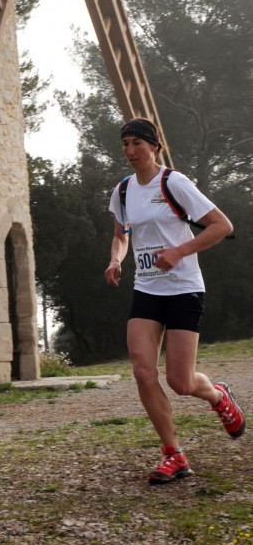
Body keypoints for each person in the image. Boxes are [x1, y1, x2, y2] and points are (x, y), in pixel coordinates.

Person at [104, 117, 245, 485]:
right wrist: (116, 259)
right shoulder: (122, 191)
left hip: (183, 288)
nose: (130, 151)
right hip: (147, 288)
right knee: (141, 369)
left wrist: (179, 251)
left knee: (181, 381)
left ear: (154, 147)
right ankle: (174, 454)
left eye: (137, 143)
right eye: (126, 144)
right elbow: (122, 235)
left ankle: (218, 397)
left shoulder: (174, 183)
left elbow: (221, 226)